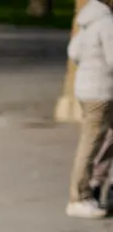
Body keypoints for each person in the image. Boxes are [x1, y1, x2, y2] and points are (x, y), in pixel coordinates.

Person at [66, 0, 113, 219]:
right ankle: (79, 198)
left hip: (86, 91)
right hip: (101, 93)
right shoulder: (106, 23)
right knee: (90, 144)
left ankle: (96, 183)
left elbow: (73, 52)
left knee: (104, 139)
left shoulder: (87, 21)